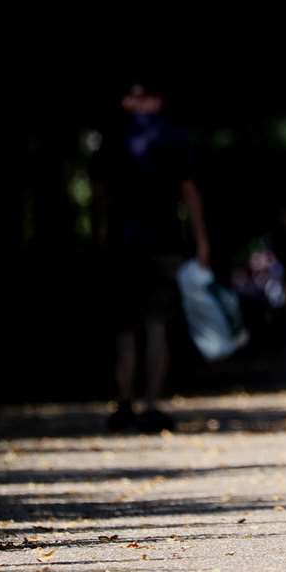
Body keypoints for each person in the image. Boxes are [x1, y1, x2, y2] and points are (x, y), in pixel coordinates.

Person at [95, 80, 210, 434]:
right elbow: (188, 191)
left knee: (125, 328)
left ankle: (123, 403)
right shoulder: (173, 137)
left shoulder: (112, 138)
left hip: (122, 244)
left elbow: (100, 193)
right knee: (156, 323)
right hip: (163, 243)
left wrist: (99, 237)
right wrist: (201, 239)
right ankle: (151, 404)